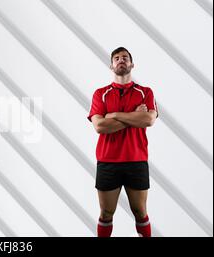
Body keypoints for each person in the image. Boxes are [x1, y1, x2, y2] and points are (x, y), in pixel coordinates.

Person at [87, 47, 158, 237]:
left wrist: (115, 115)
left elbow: (149, 120)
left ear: (132, 64)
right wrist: (134, 116)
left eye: (125, 58)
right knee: (106, 214)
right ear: (111, 66)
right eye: (116, 58)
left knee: (140, 213)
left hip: (136, 160)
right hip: (108, 161)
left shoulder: (145, 92)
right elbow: (100, 126)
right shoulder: (100, 93)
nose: (121, 60)